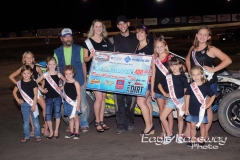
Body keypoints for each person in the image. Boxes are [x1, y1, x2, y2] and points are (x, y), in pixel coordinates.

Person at [184, 25, 232, 139]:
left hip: (208, 83)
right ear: (196, 35)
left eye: (205, 34)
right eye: (200, 34)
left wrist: (214, 69)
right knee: (192, 105)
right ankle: (189, 131)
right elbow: (187, 59)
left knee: (206, 107)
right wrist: (191, 73)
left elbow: (228, 60)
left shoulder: (211, 49)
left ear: (209, 37)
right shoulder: (193, 48)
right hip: (196, 83)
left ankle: (205, 134)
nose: (202, 36)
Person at [53, 28, 90, 133]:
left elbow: (83, 64)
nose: (68, 38)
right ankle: (71, 124)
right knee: (68, 104)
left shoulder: (79, 49)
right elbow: (58, 68)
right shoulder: (57, 51)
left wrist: (85, 79)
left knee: (82, 103)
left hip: (79, 80)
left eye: (70, 36)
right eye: (65, 37)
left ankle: (84, 123)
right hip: (65, 83)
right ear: (62, 38)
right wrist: (60, 81)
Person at [9, 51, 48, 137]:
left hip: (36, 90)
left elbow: (43, 78)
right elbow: (11, 76)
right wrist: (19, 85)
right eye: (27, 57)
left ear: (33, 59)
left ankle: (46, 126)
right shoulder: (22, 69)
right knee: (30, 111)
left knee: (45, 107)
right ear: (24, 59)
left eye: (31, 57)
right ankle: (33, 128)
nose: (29, 59)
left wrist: (42, 87)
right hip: (27, 93)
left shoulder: (37, 68)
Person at [111, 15, 139, 134]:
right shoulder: (114, 39)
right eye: (119, 24)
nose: (122, 26)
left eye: (124, 23)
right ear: (118, 26)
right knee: (119, 100)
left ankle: (129, 121)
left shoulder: (136, 38)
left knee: (131, 101)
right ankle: (121, 124)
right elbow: (109, 57)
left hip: (133, 75)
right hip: (119, 75)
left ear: (128, 24)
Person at [82, 19, 111, 132]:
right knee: (98, 99)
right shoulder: (88, 42)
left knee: (103, 98)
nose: (98, 28)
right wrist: (90, 56)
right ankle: (97, 121)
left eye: (100, 26)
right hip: (94, 74)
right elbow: (84, 59)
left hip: (105, 73)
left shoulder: (106, 40)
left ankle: (102, 121)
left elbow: (110, 56)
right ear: (93, 28)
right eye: (96, 26)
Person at [158, 57, 188, 144]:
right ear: (169, 67)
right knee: (162, 117)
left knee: (180, 118)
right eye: (172, 66)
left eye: (176, 65)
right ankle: (169, 134)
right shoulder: (168, 77)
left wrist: (185, 103)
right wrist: (165, 94)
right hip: (171, 100)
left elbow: (186, 91)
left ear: (180, 66)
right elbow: (159, 85)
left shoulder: (183, 77)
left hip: (181, 100)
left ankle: (179, 135)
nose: (174, 68)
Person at [185, 66, 216, 147]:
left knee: (202, 126)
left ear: (202, 75)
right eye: (194, 75)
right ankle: (193, 139)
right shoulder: (191, 86)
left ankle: (202, 139)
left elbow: (213, 95)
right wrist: (186, 108)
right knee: (192, 126)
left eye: (198, 74)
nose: (196, 77)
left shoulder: (205, 86)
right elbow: (187, 97)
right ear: (191, 76)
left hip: (201, 112)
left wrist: (209, 105)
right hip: (192, 111)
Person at [36, 56, 66, 139]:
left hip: (57, 97)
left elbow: (66, 81)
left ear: (56, 65)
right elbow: (35, 82)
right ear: (47, 65)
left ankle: (56, 131)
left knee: (57, 114)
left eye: (53, 64)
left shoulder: (58, 74)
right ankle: (51, 131)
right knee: (48, 115)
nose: (52, 66)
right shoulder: (45, 75)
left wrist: (62, 87)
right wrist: (42, 89)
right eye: (50, 64)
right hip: (48, 97)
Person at [151, 38, 174, 140]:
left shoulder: (170, 58)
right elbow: (153, 76)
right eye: (157, 47)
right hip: (157, 88)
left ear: (165, 46)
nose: (159, 48)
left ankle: (170, 130)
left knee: (168, 112)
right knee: (161, 111)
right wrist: (152, 90)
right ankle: (163, 131)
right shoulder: (154, 59)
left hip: (168, 88)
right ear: (155, 48)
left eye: (161, 46)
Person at [12, 65, 41, 143]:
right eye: (24, 73)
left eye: (28, 73)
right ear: (21, 74)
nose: (26, 75)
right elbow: (14, 92)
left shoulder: (33, 83)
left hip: (33, 104)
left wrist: (34, 105)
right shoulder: (19, 83)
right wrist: (18, 100)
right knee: (26, 121)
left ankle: (37, 135)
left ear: (31, 73)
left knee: (35, 121)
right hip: (24, 105)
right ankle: (26, 136)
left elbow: (35, 95)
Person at [134, 25, 154, 136]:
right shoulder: (136, 46)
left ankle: (148, 126)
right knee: (146, 101)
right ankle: (151, 124)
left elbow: (154, 62)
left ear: (146, 34)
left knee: (140, 101)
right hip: (139, 78)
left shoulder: (150, 47)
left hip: (147, 78)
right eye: (137, 33)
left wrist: (151, 70)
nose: (139, 35)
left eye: (141, 32)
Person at [63, 65, 81, 139]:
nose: (68, 75)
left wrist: (78, 105)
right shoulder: (65, 83)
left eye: (70, 73)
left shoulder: (76, 83)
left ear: (73, 74)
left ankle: (77, 132)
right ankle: (71, 132)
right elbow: (65, 92)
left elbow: (79, 95)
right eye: (66, 74)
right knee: (70, 118)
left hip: (74, 103)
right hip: (67, 102)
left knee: (76, 118)